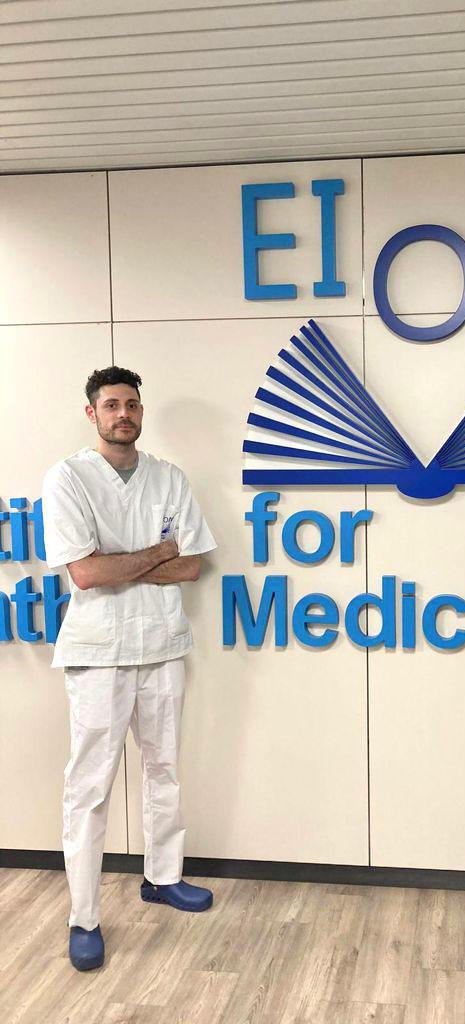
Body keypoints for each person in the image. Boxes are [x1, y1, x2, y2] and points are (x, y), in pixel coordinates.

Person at [41, 366, 218, 972]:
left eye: (132, 405)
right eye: (112, 404)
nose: (124, 414)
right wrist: (157, 553)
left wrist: (125, 561)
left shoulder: (169, 477)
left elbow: (191, 566)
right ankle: (84, 917)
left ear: (142, 412)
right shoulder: (68, 478)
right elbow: (86, 573)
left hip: (161, 645)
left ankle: (163, 877)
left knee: (164, 768)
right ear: (92, 413)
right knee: (90, 787)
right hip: (98, 652)